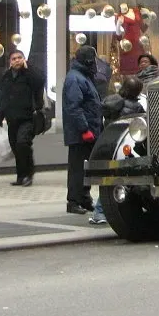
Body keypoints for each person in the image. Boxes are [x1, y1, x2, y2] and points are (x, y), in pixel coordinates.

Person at [90, 77, 146, 226]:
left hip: (109, 144)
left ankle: (99, 212)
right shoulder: (136, 107)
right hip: (125, 148)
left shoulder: (111, 101)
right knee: (118, 180)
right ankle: (100, 211)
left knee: (108, 179)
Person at [0, 50, 45, 187]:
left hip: (28, 118)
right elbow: (2, 98)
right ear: (10, 61)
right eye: (14, 58)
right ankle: (21, 176)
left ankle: (29, 174)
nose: (17, 60)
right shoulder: (6, 77)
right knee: (16, 147)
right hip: (12, 119)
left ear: (24, 59)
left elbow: (40, 81)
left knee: (23, 143)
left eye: (19, 58)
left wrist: (29, 68)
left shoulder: (29, 74)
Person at [62, 45, 103, 214]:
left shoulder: (82, 76)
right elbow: (74, 107)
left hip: (88, 132)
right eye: (93, 59)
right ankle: (74, 201)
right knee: (78, 168)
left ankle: (84, 198)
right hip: (81, 133)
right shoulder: (76, 78)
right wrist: (84, 129)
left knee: (87, 167)